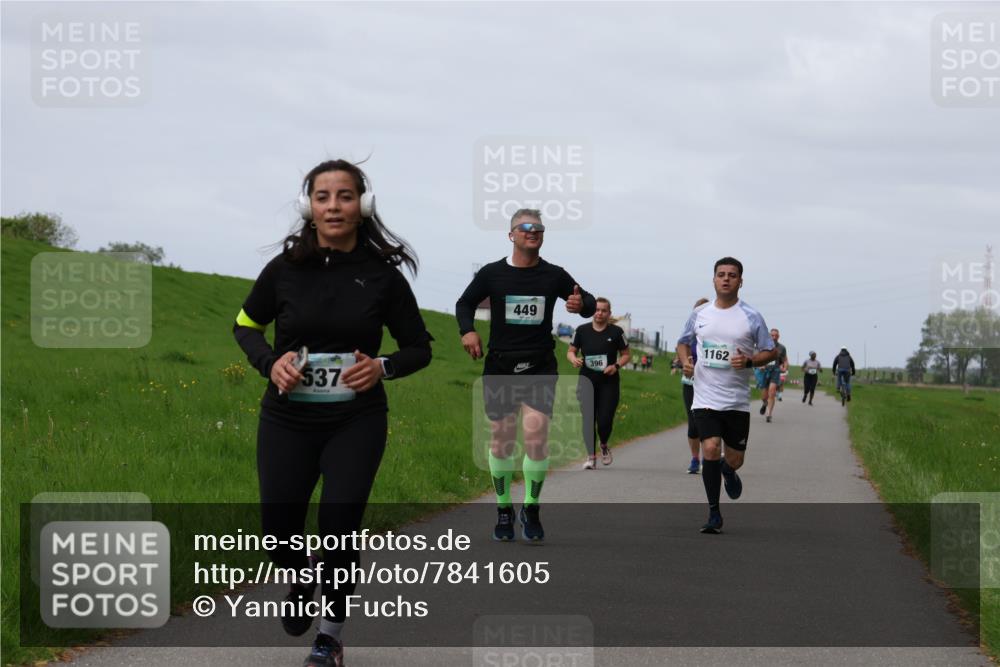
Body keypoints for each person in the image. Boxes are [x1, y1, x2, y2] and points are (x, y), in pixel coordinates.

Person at [233, 159, 433, 667]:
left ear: (362, 205)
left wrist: (383, 367)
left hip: (355, 419)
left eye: (344, 196)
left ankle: (329, 637)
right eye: (323, 197)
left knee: (338, 529)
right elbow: (245, 326)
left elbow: (419, 348)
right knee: (278, 532)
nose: (333, 206)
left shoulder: (382, 278)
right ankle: (300, 581)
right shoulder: (284, 270)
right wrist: (269, 361)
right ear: (309, 206)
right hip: (287, 419)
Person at [456, 209, 596, 543]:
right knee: (502, 438)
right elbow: (464, 303)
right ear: (511, 235)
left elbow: (586, 300)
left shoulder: (553, 275)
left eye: (538, 228)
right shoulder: (492, 273)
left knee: (535, 434)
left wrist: (582, 305)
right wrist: (468, 332)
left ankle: (531, 507)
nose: (532, 232)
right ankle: (504, 509)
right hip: (501, 365)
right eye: (525, 227)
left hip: (539, 365)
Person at [677, 257, 777, 534]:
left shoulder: (752, 316)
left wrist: (749, 362)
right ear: (713, 280)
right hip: (705, 396)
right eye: (721, 274)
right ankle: (714, 513)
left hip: (736, 401)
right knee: (709, 447)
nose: (726, 279)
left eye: (732, 275)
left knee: (735, 459)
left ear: (740, 281)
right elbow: (683, 342)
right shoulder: (700, 314)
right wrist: (686, 361)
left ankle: (728, 469)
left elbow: (771, 351)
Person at [567, 297, 631, 469]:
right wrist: (574, 359)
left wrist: (616, 366)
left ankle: (603, 444)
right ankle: (590, 457)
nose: (599, 313)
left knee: (604, 420)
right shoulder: (581, 330)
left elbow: (626, 355)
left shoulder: (616, 332)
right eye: (597, 309)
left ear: (609, 313)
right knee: (588, 420)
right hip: (586, 381)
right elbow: (571, 351)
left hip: (608, 382)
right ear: (592, 312)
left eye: (603, 310)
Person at [681, 298, 710, 474]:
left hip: (711, 384)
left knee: (712, 421)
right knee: (693, 424)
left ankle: (710, 457)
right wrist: (684, 362)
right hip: (690, 383)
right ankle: (694, 458)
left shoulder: (716, 333)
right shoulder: (688, 334)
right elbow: (681, 348)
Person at [758, 329, 787, 423]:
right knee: (764, 395)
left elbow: (785, 360)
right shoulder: (764, 346)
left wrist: (784, 367)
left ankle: (769, 414)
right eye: (772, 335)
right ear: (769, 336)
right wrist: (761, 365)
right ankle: (764, 403)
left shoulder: (782, 348)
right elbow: (758, 358)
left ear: (778, 337)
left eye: (776, 336)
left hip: (775, 371)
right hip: (765, 371)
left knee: (772, 392)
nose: (774, 337)